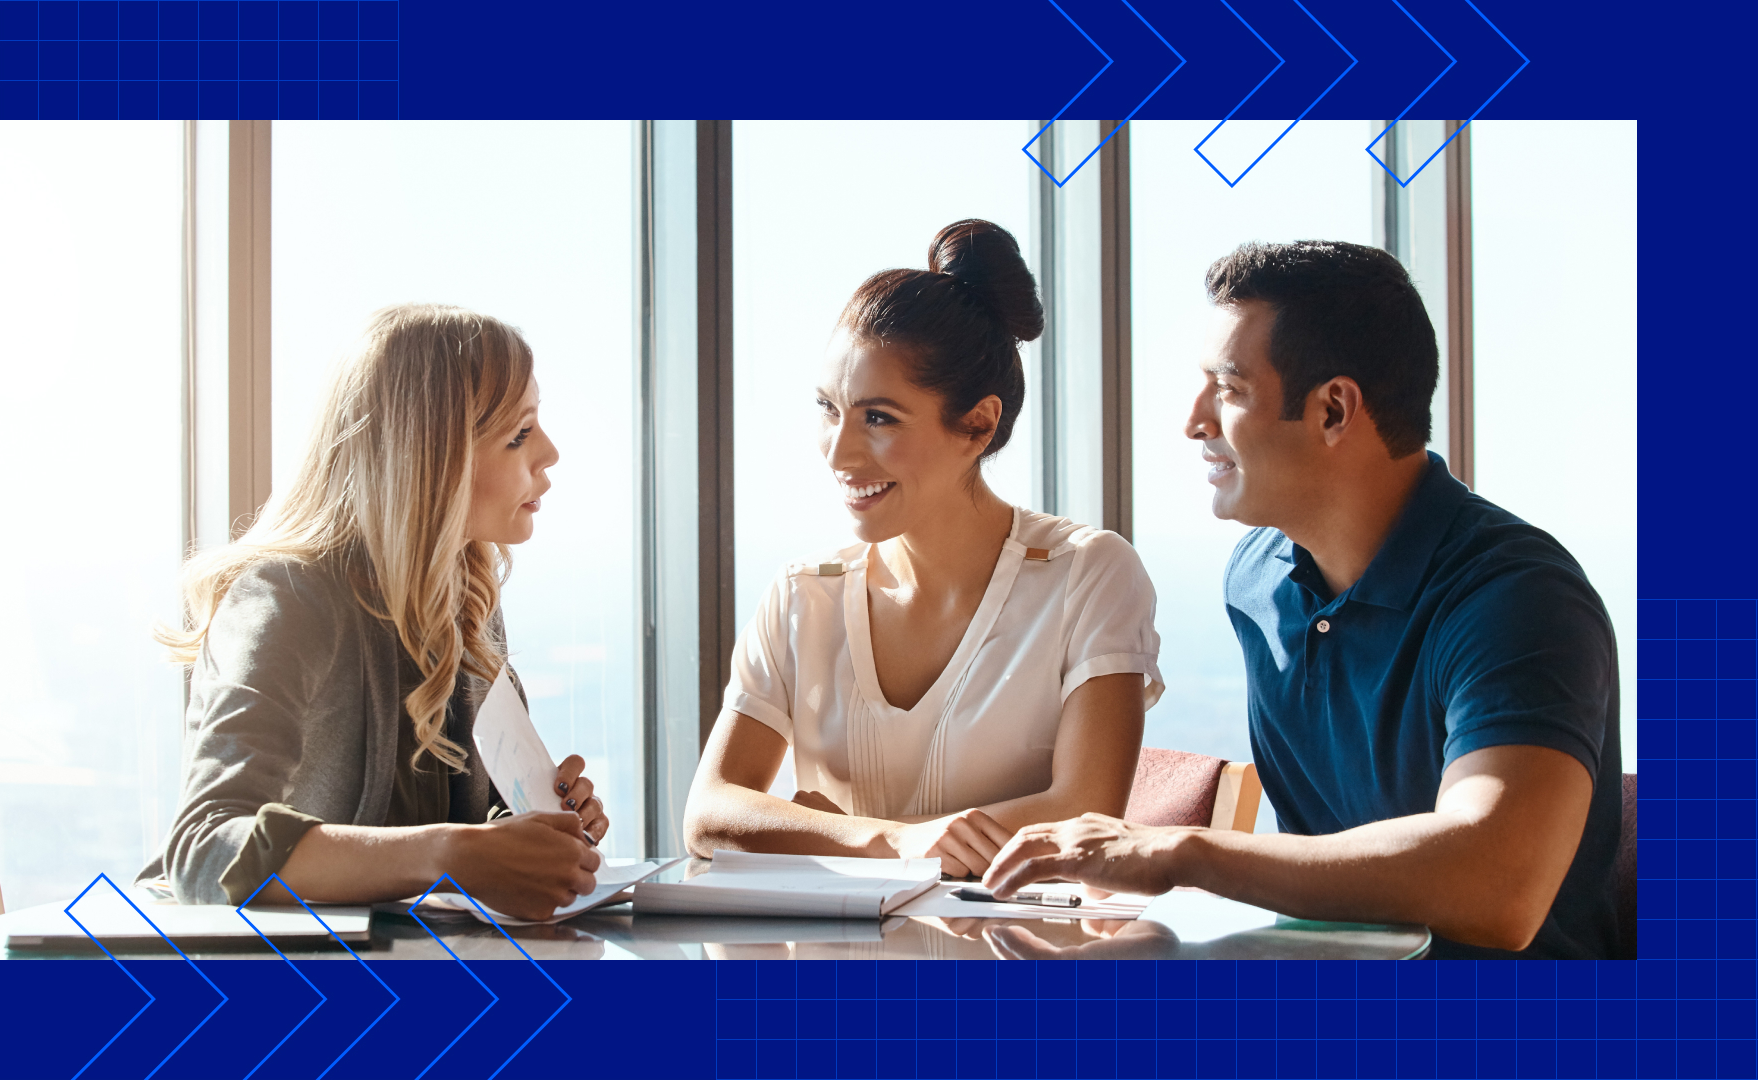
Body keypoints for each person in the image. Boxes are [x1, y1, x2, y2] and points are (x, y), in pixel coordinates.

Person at [982, 240, 1625, 959]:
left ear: (1332, 410)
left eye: (1227, 390)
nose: (1194, 422)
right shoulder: (1256, 576)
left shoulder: (1520, 599)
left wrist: (1185, 853)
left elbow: (1497, 886)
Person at [682, 219, 1165, 878]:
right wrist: (896, 844)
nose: (839, 451)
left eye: (879, 418)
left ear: (978, 423)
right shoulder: (802, 595)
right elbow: (710, 814)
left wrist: (826, 830)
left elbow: (1082, 813)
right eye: (829, 409)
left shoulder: (1087, 574)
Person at [141, 304, 607, 920]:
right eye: (518, 434)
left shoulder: (466, 604)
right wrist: (451, 853)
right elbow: (202, 852)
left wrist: (531, 832)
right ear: (431, 460)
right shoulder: (286, 600)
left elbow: (452, 833)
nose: (549, 453)